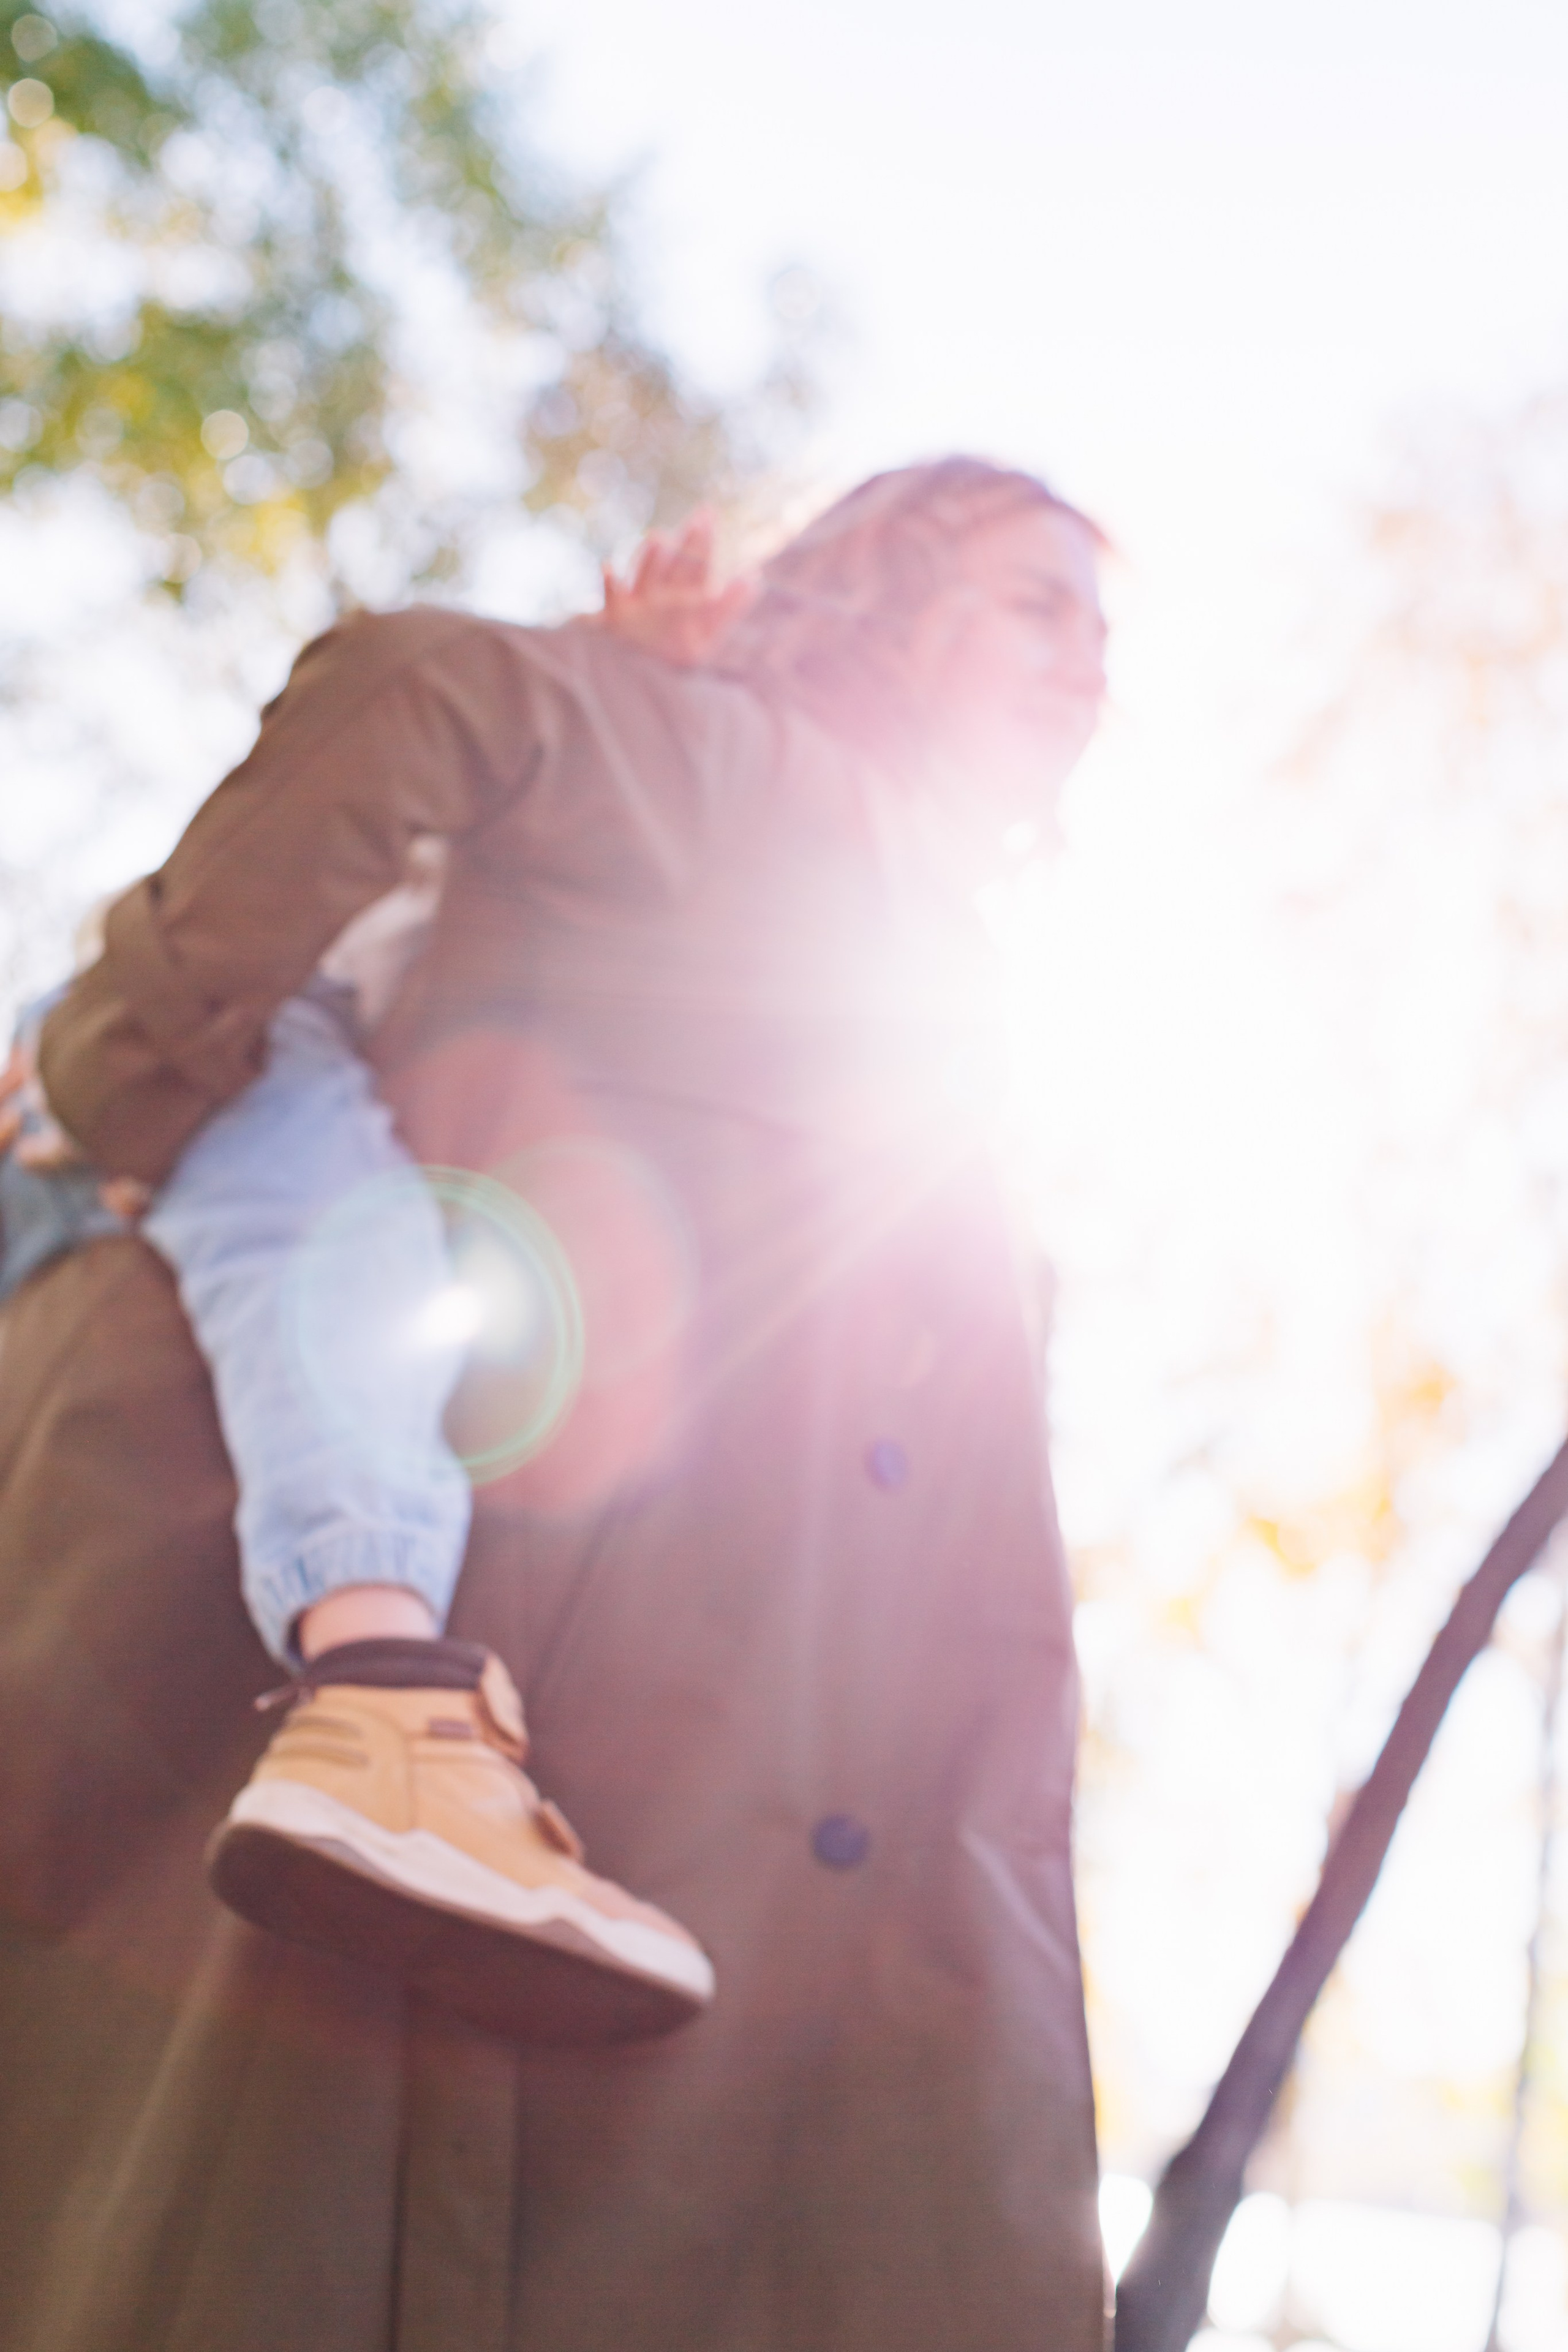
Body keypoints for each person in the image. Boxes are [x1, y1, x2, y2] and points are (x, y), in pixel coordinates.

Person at [0, 458, 1110, 2352]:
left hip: (760, 1877)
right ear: (881, 597)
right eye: (1039, 600)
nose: (1091, 661)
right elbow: (419, 686)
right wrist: (127, 1065)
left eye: (1102, 626)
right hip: (401, 1759)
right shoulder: (729, 773)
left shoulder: (926, 962)